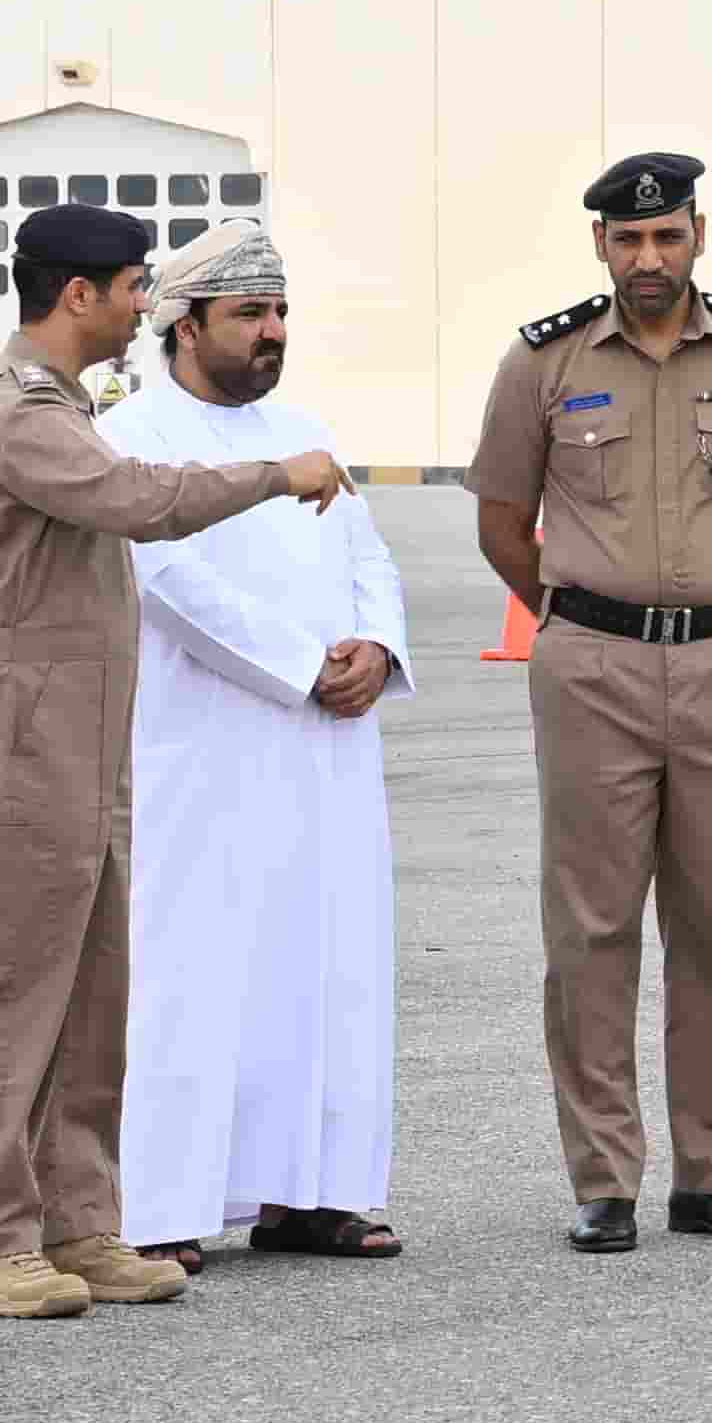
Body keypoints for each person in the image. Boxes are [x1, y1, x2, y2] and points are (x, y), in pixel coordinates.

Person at [0, 196, 342, 1320]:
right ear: (80, 294)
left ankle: (77, 1219)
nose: (138, 306)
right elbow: (134, 499)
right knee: (17, 986)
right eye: (128, 290)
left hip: (82, 719)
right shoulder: (15, 411)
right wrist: (273, 471)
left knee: (92, 985)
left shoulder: (64, 403)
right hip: (24, 714)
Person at [469, 147, 712, 1256]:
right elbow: (500, 520)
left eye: (666, 236)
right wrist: (591, 618)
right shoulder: (544, 361)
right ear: (598, 246)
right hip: (593, 669)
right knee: (591, 928)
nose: (647, 257)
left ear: (698, 236)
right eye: (627, 240)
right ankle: (605, 1179)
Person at [117, 217, 410, 1267]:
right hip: (209, 746)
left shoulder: (306, 425)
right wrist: (300, 663)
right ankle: (162, 1204)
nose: (272, 330)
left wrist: (376, 641)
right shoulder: (133, 433)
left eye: (279, 310)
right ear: (185, 326)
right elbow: (166, 578)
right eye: (250, 313)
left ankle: (315, 1193)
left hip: (327, 753)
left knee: (327, 961)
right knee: (194, 968)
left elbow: (366, 551)